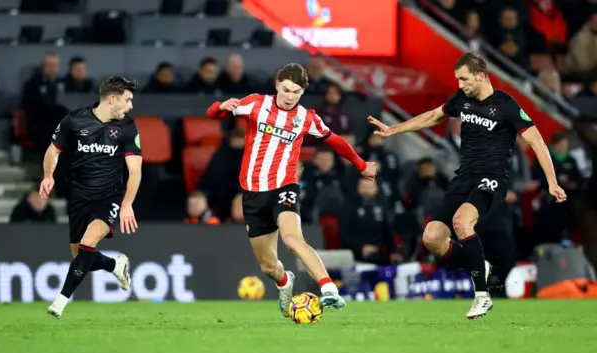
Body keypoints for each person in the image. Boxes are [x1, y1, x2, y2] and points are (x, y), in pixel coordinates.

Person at [368, 52, 567, 319]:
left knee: (462, 222)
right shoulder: (462, 100)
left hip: (492, 178)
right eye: (458, 80)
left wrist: (551, 182)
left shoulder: (506, 105)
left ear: (481, 76)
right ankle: (477, 265)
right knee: (432, 237)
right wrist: (394, 129)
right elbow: (432, 117)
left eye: (464, 79)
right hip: (464, 178)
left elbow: (537, 142)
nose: (460, 85)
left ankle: (482, 296)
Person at [206, 63, 377, 317]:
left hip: (285, 186)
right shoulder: (255, 104)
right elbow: (213, 115)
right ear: (277, 85)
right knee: (268, 266)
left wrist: (361, 165)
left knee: (292, 238)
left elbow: (336, 141)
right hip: (253, 193)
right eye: (286, 90)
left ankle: (329, 290)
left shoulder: (306, 118)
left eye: (296, 92)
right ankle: (284, 281)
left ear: (302, 92)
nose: (289, 97)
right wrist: (221, 106)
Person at [39, 77, 143, 319]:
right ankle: (115, 265)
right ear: (111, 99)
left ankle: (60, 301)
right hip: (78, 197)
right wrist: (47, 176)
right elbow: (53, 150)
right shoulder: (74, 120)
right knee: (81, 256)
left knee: (88, 244)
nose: (131, 106)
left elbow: (135, 169)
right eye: (128, 100)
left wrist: (126, 204)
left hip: (109, 197)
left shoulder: (127, 127)